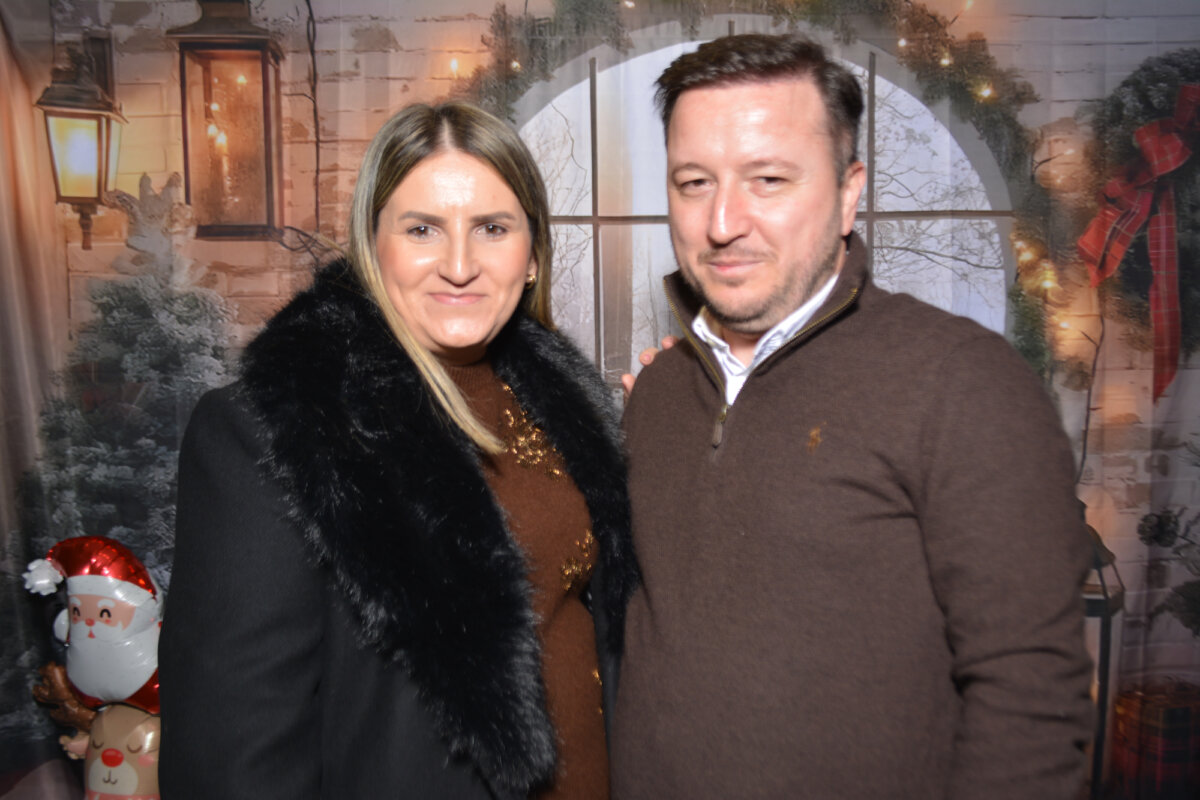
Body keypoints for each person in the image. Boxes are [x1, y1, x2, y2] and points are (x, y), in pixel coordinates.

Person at [611, 34, 1094, 799]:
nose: (723, 221)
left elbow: (1030, 702)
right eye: (694, 182)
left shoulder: (963, 382)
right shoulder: (660, 392)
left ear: (847, 193)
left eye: (768, 179)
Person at [158, 100, 638, 799]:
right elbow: (231, 757)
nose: (460, 265)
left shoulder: (562, 408)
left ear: (532, 256)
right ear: (371, 248)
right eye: (421, 229)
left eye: (493, 228)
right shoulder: (274, 432)